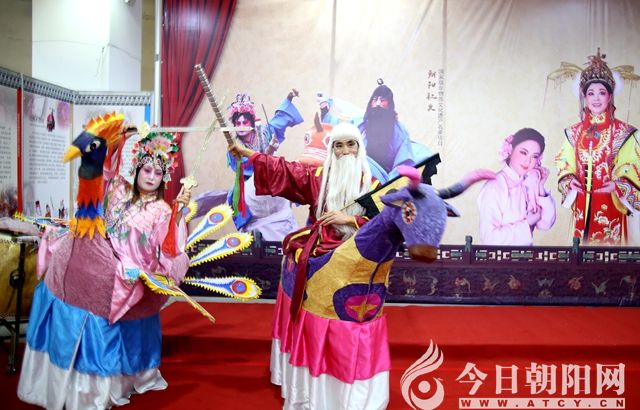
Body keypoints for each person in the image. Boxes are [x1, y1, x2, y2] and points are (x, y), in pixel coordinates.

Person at [18, 126, 192, 409]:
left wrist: (179, 214)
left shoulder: (162, 210)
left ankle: (105, 380)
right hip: (100, 255)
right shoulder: (119, 189)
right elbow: (105, 172)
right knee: (66, 257)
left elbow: (171, 248)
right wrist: (119, 140)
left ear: (164, 178)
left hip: (130, 268)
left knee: (109, 292)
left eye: (158, 173)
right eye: (146, 170)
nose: (151, 177)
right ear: (136, 170)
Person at [229, 122, 383, 409]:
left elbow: (384, 222)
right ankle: (311, 376)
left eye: (350, 144)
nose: (345, 151)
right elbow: (284, 169)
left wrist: (350, 220)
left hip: (355, 256)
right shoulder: (318, 177)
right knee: (298, 260)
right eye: (338, 145)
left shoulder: (372, 185)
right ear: (331, 150)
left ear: (359, 148)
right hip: (319, 247)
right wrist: (248, 154)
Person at [555, 49, 640, 245]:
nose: (596, 98)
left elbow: (634, 164)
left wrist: (618, 185)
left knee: (607, 254)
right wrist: (569, 180)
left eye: (602, 93)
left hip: (610, 202)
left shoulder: (623, 132)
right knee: (580, 252)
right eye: (590, 93)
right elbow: (564, 161)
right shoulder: (573, 132)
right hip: (582, 203)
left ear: (609, 96)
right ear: (584, 98)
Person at [224, 90, 303, 240]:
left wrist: (289, 98)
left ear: (252, 123)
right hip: (250, 180)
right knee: (235, 198)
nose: (241, 126)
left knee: (290, 175)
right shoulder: (234, 147)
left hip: (271, 173)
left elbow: (279, 119)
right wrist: (269, 150)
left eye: (245, 122)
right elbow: (248, 167)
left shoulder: (265, 132)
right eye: (238, 123)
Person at [319, 79, 432, 182]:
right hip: (356, 174)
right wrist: (324, 109)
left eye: (382, 100)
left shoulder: (399, 130)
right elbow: (339, 128)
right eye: (375, 99)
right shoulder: (361, 122)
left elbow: (403, 163)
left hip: (383, 179)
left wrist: (388, 184)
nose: (377, 103)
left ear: (389, 104)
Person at [477, 128, 556, 245]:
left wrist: (540, 186)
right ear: (510, 150)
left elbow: (545, 224)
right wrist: (527, 224)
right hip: (500, 256)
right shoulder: (495, 186)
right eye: (523, 152)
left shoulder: (528, 182)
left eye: (534, 156)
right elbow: (489, 238)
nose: (528, 161)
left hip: (526, 255)